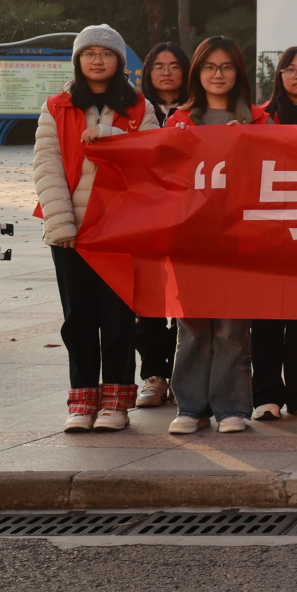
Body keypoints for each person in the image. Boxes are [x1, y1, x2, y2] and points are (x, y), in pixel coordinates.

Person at [34, 24, 149, 433]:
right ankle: (82, 401)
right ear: (78, 60)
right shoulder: (56, 107)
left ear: (119, 61)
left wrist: (111, 135)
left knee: (118, 319)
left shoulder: (140, 108)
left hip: (120, 233)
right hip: (72, 232)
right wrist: (61, 223)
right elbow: (46, 167)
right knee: (78, 319)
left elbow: (152, 158)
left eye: (106, 53)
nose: (97, 60)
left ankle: (116, 403)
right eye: (89, 53)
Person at [164, 36, 264, 434]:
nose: (217, 74)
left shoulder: (259, 119)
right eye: (209, 67)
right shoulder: (179, 121)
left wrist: (249, 144)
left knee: (232, 327)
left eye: (226, 67)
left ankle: (231, 408)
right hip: (190, 238)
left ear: (238, 72)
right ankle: (190, 408)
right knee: (192, 325)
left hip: (240, 237)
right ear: (197, 73)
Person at [249, 46, 297, 421]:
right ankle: (266, 394)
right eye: (290, 69)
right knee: (265, 315)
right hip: (267, 224)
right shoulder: (257, 118)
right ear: (278, 75)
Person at [132, 40, 189, 407]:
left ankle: (185, 375)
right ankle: (154, 375)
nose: (166, 72)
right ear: (148, 73)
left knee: (187, 300)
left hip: (190, 218)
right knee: (149, 299)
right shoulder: (135, 110)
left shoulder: (199, 110)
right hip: (147, 217)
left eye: (174, 65)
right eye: (158, 66)